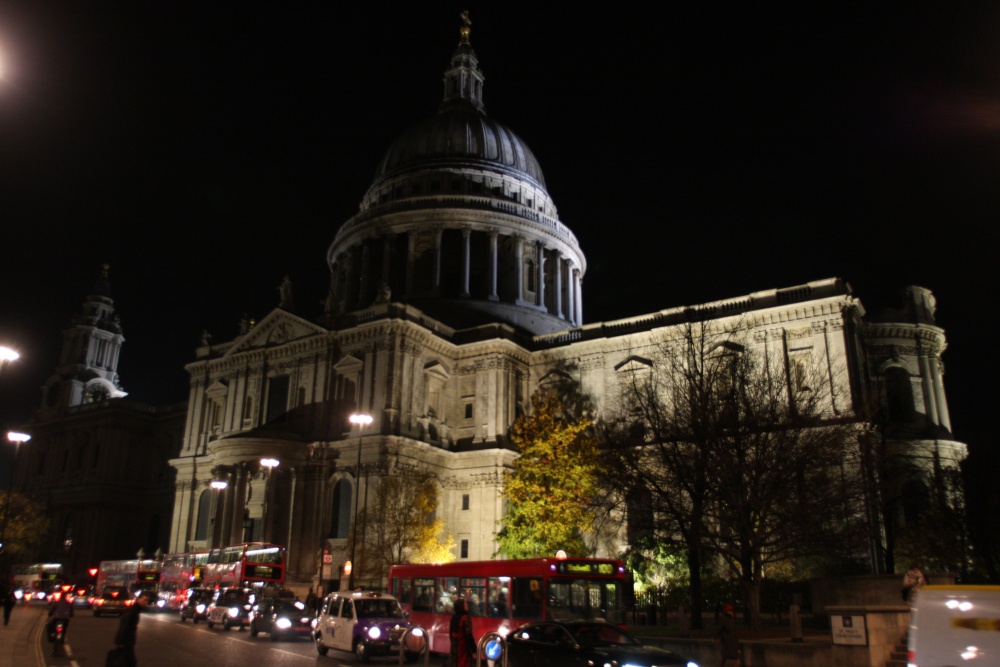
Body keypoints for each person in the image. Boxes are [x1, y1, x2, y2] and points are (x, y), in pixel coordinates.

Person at [114, 592, 149, 667]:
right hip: (126, 641)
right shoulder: (133, 611)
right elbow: (124, 625)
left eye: (146, 601)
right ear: (138, 599)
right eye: (144, 600)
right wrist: (120, 642)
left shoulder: (135, 610)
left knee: (128, 662)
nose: (145, 602)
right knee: (130, 662)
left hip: (128, 641)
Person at [449, 598, 475, 667]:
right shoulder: (465, 618)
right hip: (463, 647)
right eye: (465, 604)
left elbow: (451, 633)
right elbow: (468, 634)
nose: (467, 606)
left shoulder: (453, 617)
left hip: (454, 646)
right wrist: (474, 648)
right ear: (461, 607)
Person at [718, 603, 740, 667]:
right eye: (729, 611)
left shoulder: (729, 619)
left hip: (730, 641)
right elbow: (719, 629)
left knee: (726, 658)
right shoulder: (726, 619)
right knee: (734, 657)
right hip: (728, 641)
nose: (731, 612)